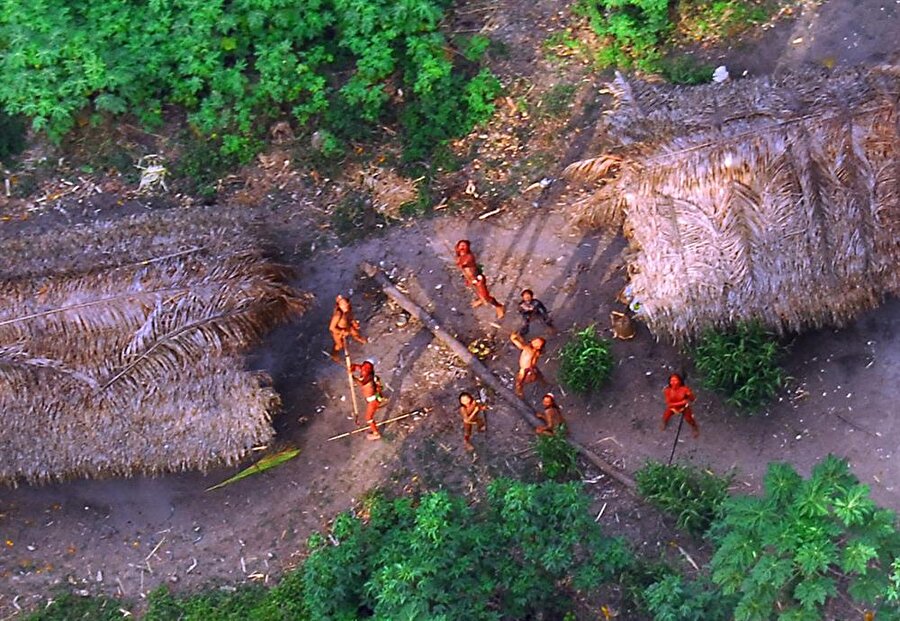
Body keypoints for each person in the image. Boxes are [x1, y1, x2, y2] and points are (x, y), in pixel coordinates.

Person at [455, 239, 505, 319]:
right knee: (478, 293)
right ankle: (481, 299)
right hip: (470, 279)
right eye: (461, 245)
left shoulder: (469, 256)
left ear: (468, 247)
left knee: (486, 298)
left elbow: (463, 263)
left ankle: (499, 306)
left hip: (478, 280)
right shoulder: (459, 256)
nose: (462, 247)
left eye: (464, 246)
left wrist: (459, 262)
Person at [350, 360, 387, 440]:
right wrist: (353, 366)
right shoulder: (368, 373)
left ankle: (376, 433)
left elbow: (361, 383)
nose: (362, 370)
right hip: (373, 398)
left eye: (363, 370)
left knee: (368, 418)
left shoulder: (368, 380)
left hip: (373, 401)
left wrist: (352, 377)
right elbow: (360, 367)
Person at [329, 294, 367, 362]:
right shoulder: (338, 314)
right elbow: (332, 328)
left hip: (348, 327)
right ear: (339, 305)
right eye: (343, 304)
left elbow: (350, 318)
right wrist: (341, 332)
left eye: (346, 303)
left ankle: (363, 341)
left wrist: (354, 323)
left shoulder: (348, 310)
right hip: (338, 331)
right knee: (340, 345)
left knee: (355, 333)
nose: (345, 305)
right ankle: (334, 354)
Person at [661, 373, 699, 438]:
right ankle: (664, 423)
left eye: (675, 380)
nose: (673, 383)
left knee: (689, 419)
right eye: (672, 381)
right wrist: (682, 402)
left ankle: (695, 428)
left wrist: (690, 395)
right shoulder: (667, 391)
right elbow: (669, 404)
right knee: (665, 416)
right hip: (673, 408)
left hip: (684, 408)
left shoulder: (684, 389)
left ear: (679, 381)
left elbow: (693, 399)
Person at [510, 332, 546, 398]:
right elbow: (523, 342)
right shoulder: (536, 351)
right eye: (535, 340)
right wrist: (518, 337)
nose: (534, 341)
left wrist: (513, 339)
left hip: (525, 368)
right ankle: (544, 383)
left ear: (538, 347)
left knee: (519, 381)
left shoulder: (528, 349)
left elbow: (521, 345)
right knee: (539, 375)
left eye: (536, 342)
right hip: (532, 366)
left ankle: (519, 392)